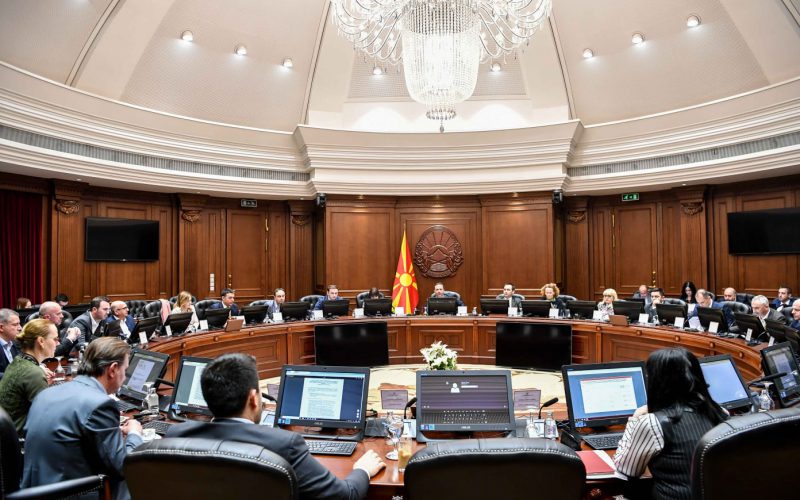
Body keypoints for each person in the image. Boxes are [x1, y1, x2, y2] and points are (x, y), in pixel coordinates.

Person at [166, 353, 385, 500]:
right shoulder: (285, 444)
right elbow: (345, 496)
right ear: (254, 398)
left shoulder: (177, 434)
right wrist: (363, 470)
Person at [22, 337, 143, 500]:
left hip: (35, 490)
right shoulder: (100, 403)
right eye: (125, 370)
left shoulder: (46, 393)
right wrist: (135, 434)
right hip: (74, 493)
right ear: (113, 369)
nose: (125, 377)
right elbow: (123, 467)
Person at [614, 347, 728, 499]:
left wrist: (635, 419)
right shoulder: (720, 413)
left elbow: (626, 469)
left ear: (656, 382)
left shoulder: (653, 423)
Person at [0, 319, 57, 435]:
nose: (58, 343)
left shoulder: (18, 361)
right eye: (55, 339)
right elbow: (49, 418)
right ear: (41, 341)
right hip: (22, 439)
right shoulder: (34, 373)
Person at [0, 309, 22, 379]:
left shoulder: (15, 343)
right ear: (1, 327)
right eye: (15, 324)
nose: (20, 328)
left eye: (19, 324)